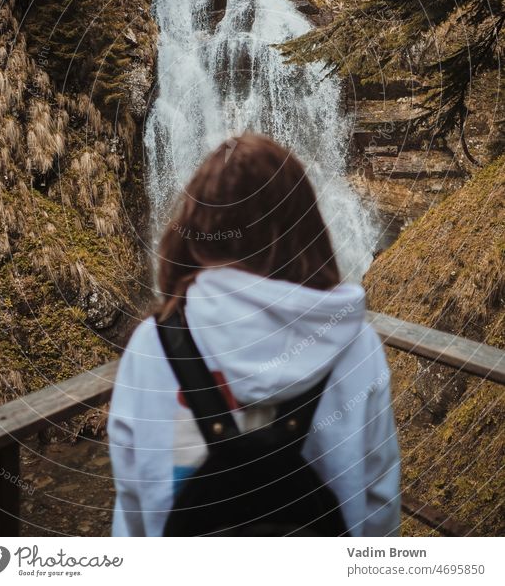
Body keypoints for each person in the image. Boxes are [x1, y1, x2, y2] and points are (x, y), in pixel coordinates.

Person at [108, 133, 400, 536]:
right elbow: (379, 501)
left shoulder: (152, 346)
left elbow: (133, 505)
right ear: (305, 225)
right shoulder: (355, 344)